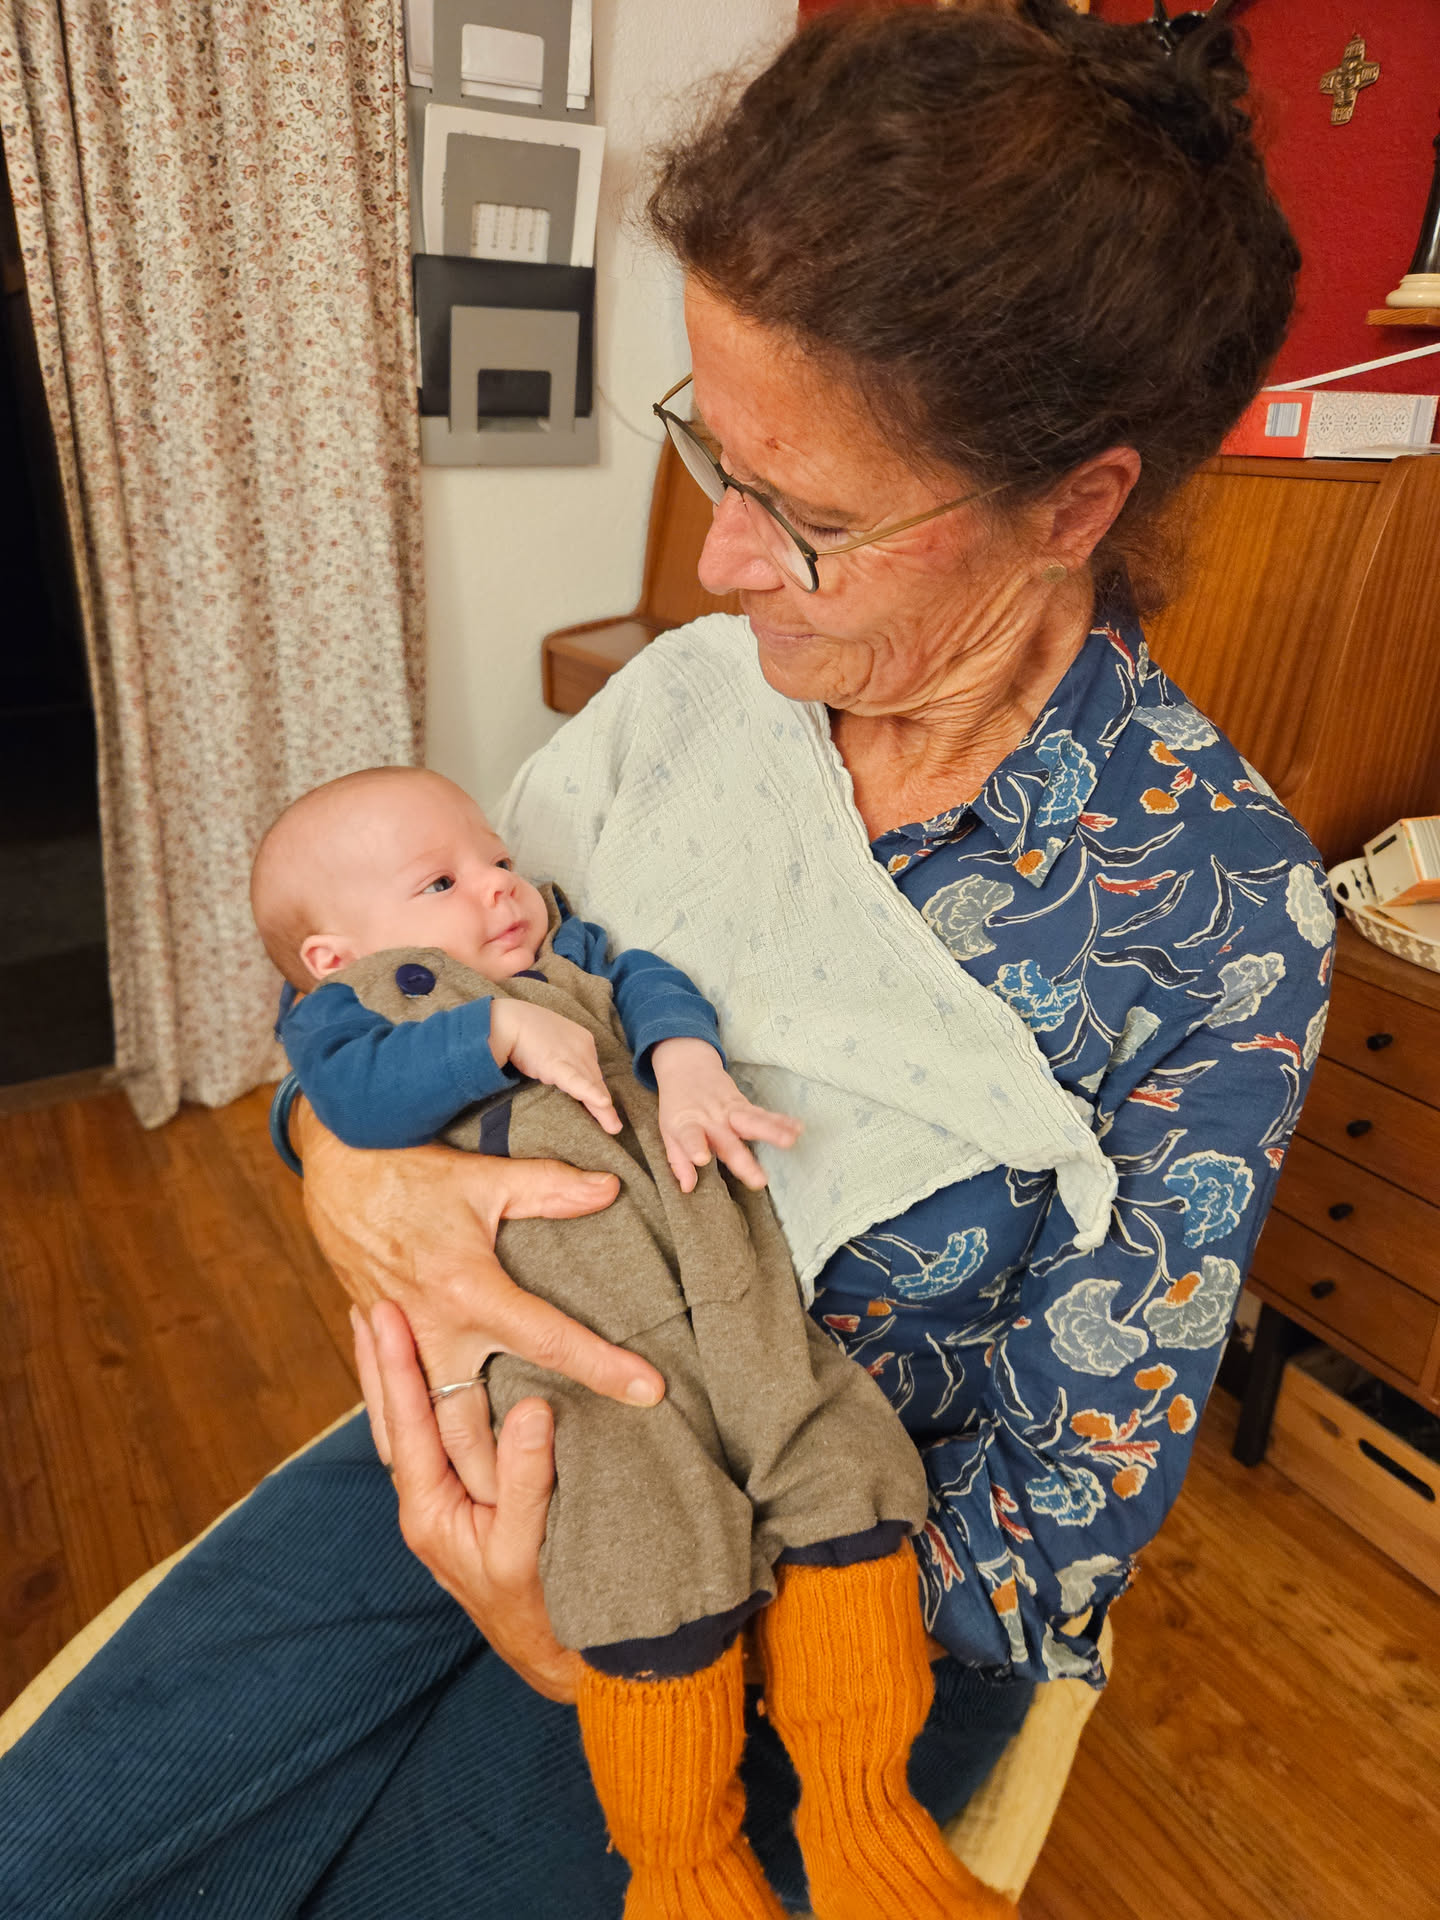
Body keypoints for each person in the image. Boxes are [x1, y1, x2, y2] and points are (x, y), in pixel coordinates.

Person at [0, 7, 1331, 1918]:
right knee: (50, 1853)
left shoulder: (1214, 913)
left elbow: (1055, 1519)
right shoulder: (699, 701)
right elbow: (402, 1003)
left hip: (831, 1592)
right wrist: (345, 1170)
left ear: (1075, 506)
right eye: (714, 449)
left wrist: (615, 1642)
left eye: (809, 518)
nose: (715, 565)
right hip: (509, 1416)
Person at [249, 764, 1001, 1920]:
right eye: (442, 881)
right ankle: (685, 1871)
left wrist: (683, 1055)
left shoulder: (570, 956)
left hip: (741, 1313)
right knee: (644, 1572)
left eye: (497, 859)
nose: (500, 887)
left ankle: (865, 1816)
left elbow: (646, 978)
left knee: (843, 1483)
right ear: (332, 956)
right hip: (584, 1383)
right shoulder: (369, 1010)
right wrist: (490, 1031)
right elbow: (343, 1095)